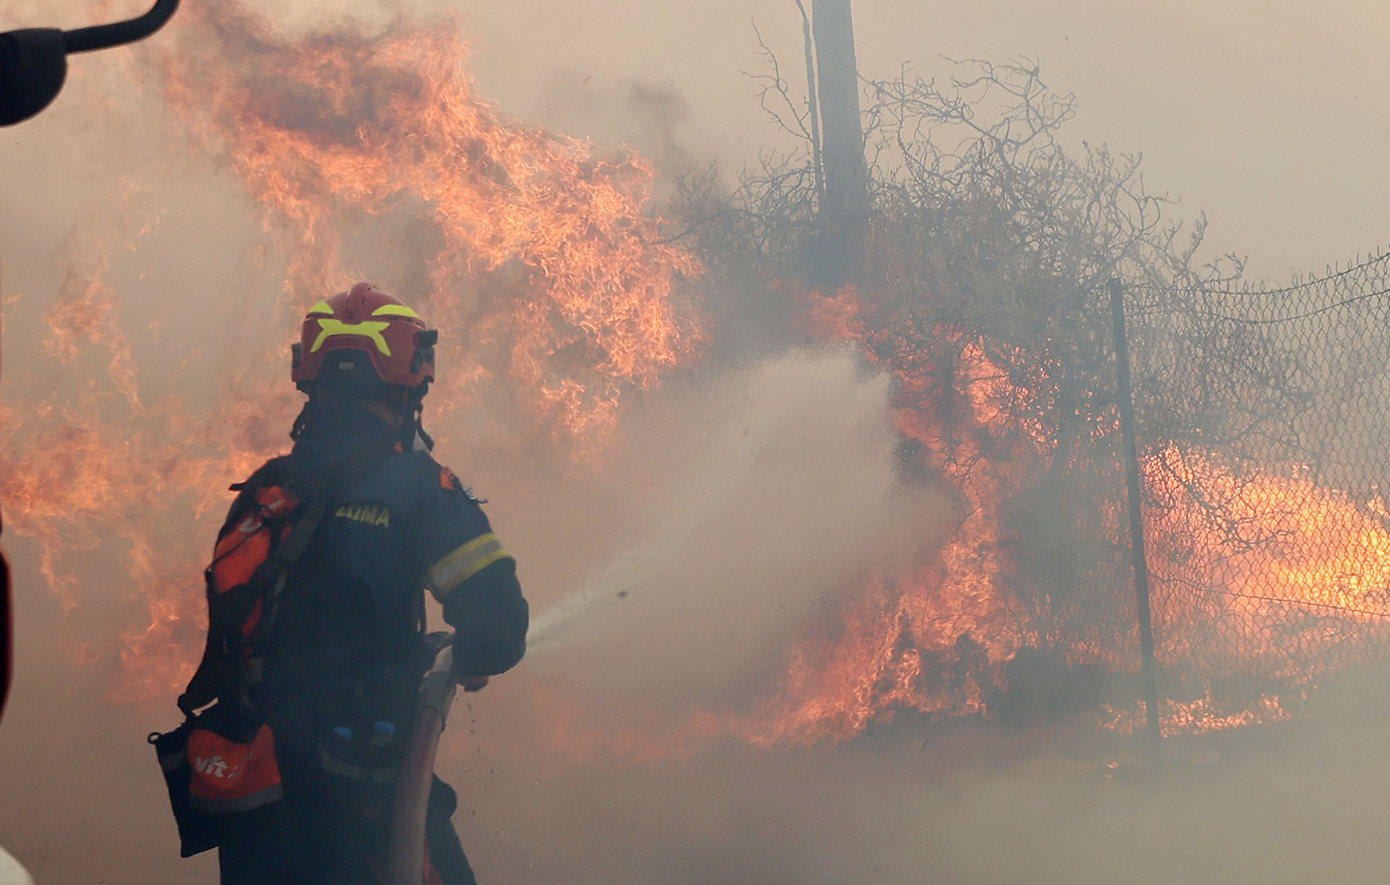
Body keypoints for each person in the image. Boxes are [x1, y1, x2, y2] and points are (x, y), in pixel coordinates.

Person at [181, 282, 528, 884]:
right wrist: (463, 656)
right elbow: (498, 629)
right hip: (361, 801)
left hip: (256, 802)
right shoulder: (418, 487)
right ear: (410, 379)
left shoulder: (264, 496)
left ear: (308, 376)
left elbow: (291, 627)